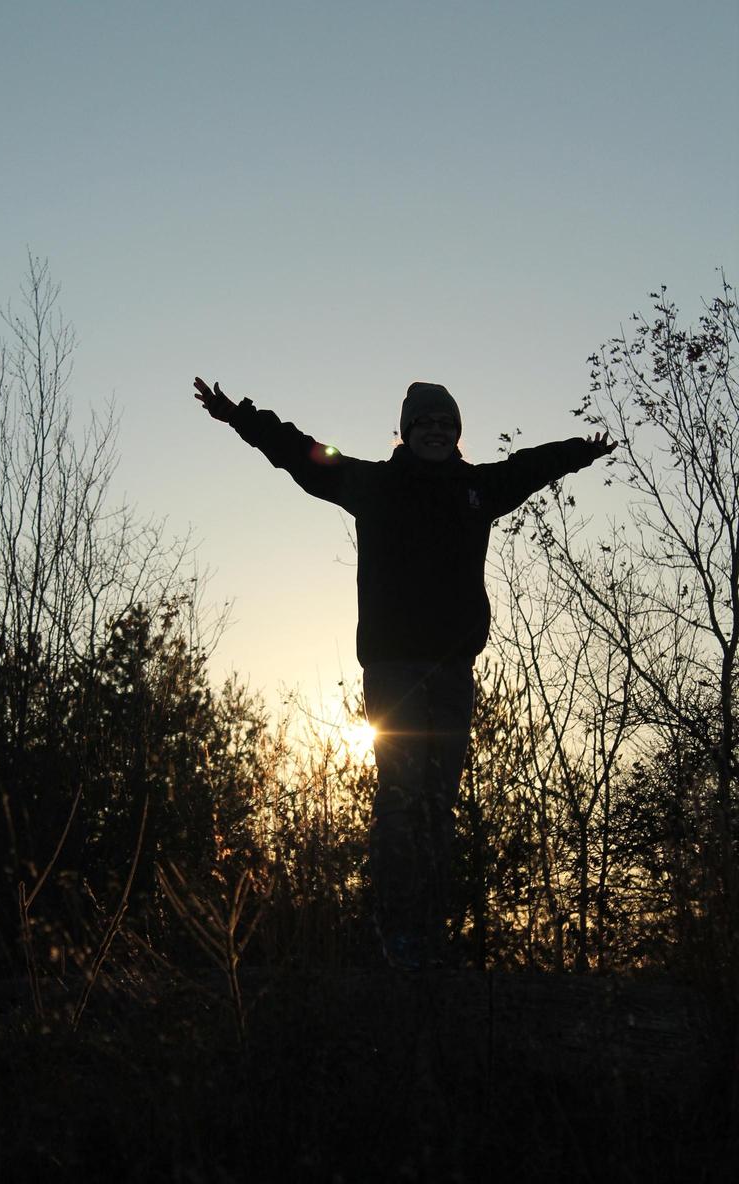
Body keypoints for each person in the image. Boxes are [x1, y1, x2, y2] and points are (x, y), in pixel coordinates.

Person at [193, 376, 616, 969]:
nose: (438, 433)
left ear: (457, 435)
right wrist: (240, 417)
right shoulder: (373, 483)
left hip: (451, 669)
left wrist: (580, 451)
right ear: (408, 431)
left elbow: (527, 467)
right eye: (427, 424)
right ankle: (395, 930)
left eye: (447, 425)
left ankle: (431, 933)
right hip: (393, 668)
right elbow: (302, 452)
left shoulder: (476, 488)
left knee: (439, 802)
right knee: (398, 797)